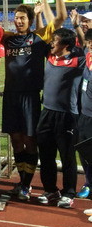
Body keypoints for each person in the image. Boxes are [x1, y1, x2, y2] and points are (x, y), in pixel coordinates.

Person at [2, 0, 67, 201]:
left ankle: (26, 185)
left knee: (30, 140)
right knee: (15, 140)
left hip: (30, 97)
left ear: (30, 20)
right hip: (10, 96)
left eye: (22, 18)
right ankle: (22, 183)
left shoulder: (38, 39)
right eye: (16, 17)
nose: (18, 21)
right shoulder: (8, 38)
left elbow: (60, 18)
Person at [36, 28, 85, 208]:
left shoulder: (78, 60)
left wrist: (78, 27)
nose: (51, 43)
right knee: (46, 155)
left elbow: (86, 47)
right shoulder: (50, 56)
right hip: (46, 113)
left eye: (55, 40)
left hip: (67, 115)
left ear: (65, 44)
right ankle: (50, 190)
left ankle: (69, 193)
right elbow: (47, 27)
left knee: (67, 156)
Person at [77, 29, 92, 199]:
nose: (91, 46)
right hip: (84, 115)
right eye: (89, 43)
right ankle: (88, 183)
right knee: (84, 152)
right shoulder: (87, 58)